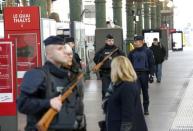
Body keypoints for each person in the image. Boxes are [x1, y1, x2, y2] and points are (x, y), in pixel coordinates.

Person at [17, 36, 83, 131]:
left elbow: (76, 109)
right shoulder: (37, 75)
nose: (65, 52)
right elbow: (22, 104)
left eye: (64, 48)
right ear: (49, 54)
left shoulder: (69, 77)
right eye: (60, 49)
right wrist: (48, 103)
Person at [104, 56, 148, 131]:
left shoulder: (127, 87)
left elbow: (128, 117)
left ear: (118, 70)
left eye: (112, 68)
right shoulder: (117, 85)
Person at [128, 35, 155, 115]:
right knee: (136, 92)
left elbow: (151, 63)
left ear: (142, 42)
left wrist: (151, 75)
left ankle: (146, 108)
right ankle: (137, 108)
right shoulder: (132, 52)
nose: (135, 43)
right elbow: (128, 64)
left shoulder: (148, 51)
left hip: (144, 74)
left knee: (145, 91)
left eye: (136, 41)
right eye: (134, 41)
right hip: (134, 74)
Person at [93, 34, 125, 99]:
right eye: (109, 40)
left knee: (116, 90)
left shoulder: (117, 50)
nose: (111, 42)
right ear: (106, 41)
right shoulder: (102, 50)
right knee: (105, 90)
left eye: (112, 40)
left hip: (115, 72)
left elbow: (124, 58)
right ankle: (105, 105)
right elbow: (95, 59)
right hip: (105, 73)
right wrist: (102, 57)